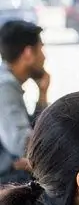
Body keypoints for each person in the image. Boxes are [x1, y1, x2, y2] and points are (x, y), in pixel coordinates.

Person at [0, 20, 49, 186]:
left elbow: (34, 129)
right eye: (41, 49)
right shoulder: (4, 87)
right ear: (28, 53)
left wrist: (42, 93)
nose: (44, 57)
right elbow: (23, 145)